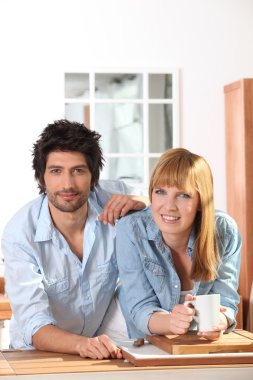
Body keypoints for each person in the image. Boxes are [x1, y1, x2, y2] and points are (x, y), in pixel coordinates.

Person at [1, 119, 147, 359]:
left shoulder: (111, 199)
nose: (67, 184)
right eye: (56, 171)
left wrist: (142, 204)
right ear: (41, 178)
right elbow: (33, 322)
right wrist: (83, 345)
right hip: (37, 353)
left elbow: (163, 202)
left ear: (93, 177)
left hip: (97, 347)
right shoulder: (20, 233)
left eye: (78, 171)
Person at [116, 148, 241, 341]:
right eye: (160, 192)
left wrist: (220, 321)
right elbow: (140, 307)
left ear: (201, 200)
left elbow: (226, 300)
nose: (169, 206)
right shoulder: (132, 229)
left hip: (201, 345)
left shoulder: (224, 231)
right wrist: (171, 322)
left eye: (183, 195)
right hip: (147, 345)